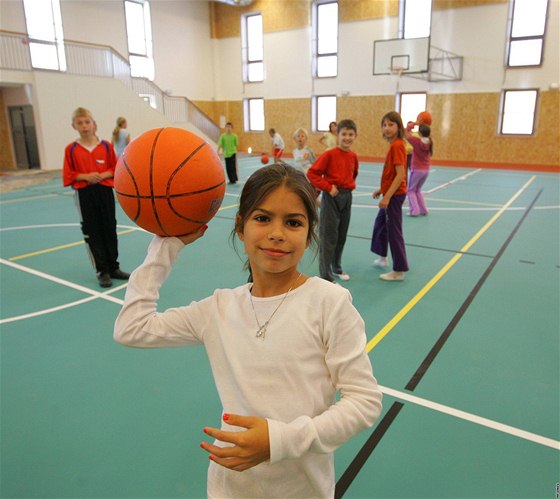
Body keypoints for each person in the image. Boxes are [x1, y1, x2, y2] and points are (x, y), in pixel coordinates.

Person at [114, 163, 382, 499]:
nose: (277, 233)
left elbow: (364, 401)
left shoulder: (330, 302)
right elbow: (131, 328)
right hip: (231, 488)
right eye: (263, 218)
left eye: (293, 222)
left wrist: (278, 441)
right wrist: (167, 245)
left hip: (302, 489)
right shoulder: (218, 309)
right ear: (240, 227)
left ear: (309, 232)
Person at [63, 107, 130, 288]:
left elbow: (115, 169)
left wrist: (104, 173)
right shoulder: (71, 149)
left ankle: (114, 267)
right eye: (80, 123)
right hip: (85, 194)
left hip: (104, 192)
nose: (84, 126)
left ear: (94, 124)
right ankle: (102, 270)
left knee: (110, 228)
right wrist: (86, 176)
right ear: (74, 126)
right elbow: (68, 175)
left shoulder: (106, 146)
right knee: (93, 232)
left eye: (87, 122)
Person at [307, 119, 359, 283]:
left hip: (347, 197)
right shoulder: (329, 154)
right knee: (328, 236)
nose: (347, 138)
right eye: (344, 134)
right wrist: (328, 187)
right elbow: (312, 173)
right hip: (331, 198)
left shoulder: (353, 156)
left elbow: (353, 174)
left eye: (351, 134)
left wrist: (346, 188)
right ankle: (326, 274)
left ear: (355, 136)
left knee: (341, 235)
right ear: (338, 134)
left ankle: (337, 266)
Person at [371, 111, 409, 281]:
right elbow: (391, 173)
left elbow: (400, 174)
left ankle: (399, 270)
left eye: (391, 124)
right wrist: (382, 190)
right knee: (381, 224)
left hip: (395, 196)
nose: (387, 128)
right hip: (390, 193)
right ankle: (382, 256)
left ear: (399, 127)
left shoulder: (398, 145)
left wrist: (387, 197)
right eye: (384, 125)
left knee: (394, 231)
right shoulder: (394, 145)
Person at [406, 123, 433, 216]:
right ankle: (423, 209)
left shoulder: (416, 141)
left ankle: (414, 210)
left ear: (420, 133)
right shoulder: (430, 142)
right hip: (426, 170)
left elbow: (405, 133)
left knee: (410, 190)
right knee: (418, 190)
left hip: (417, 169)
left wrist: (414, 124)